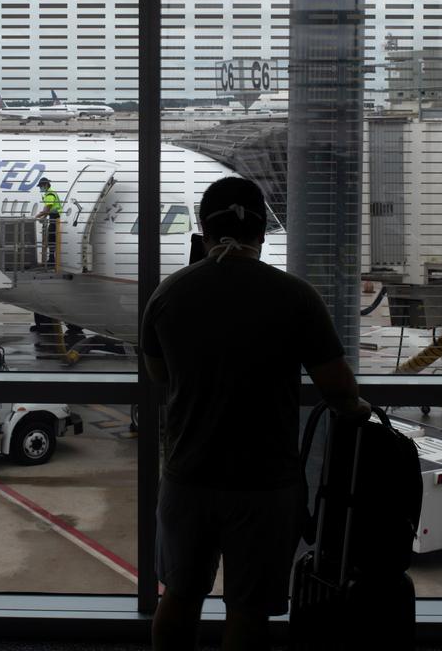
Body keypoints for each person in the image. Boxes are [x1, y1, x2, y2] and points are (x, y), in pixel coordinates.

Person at [141, 176, 371, 651]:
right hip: (264, 484)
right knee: (248, 611)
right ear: (262, 232)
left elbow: (160, 377)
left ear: (203, 232)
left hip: (189, 476)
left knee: (179, 597)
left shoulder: (168, 295)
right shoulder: (296, 297)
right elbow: (339, 388)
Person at [35, 176, 62, 265]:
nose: (40, 188)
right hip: (53, 216)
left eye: (41, 186)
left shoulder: (50, 194)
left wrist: (37, 216)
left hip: (55, 217)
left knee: (51, 237)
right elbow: (48, 209)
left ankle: (52, 259)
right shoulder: (49, 193)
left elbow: (47, 208)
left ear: (46, 185)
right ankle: (51, 258)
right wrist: (44, 216)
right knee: (51, 237)